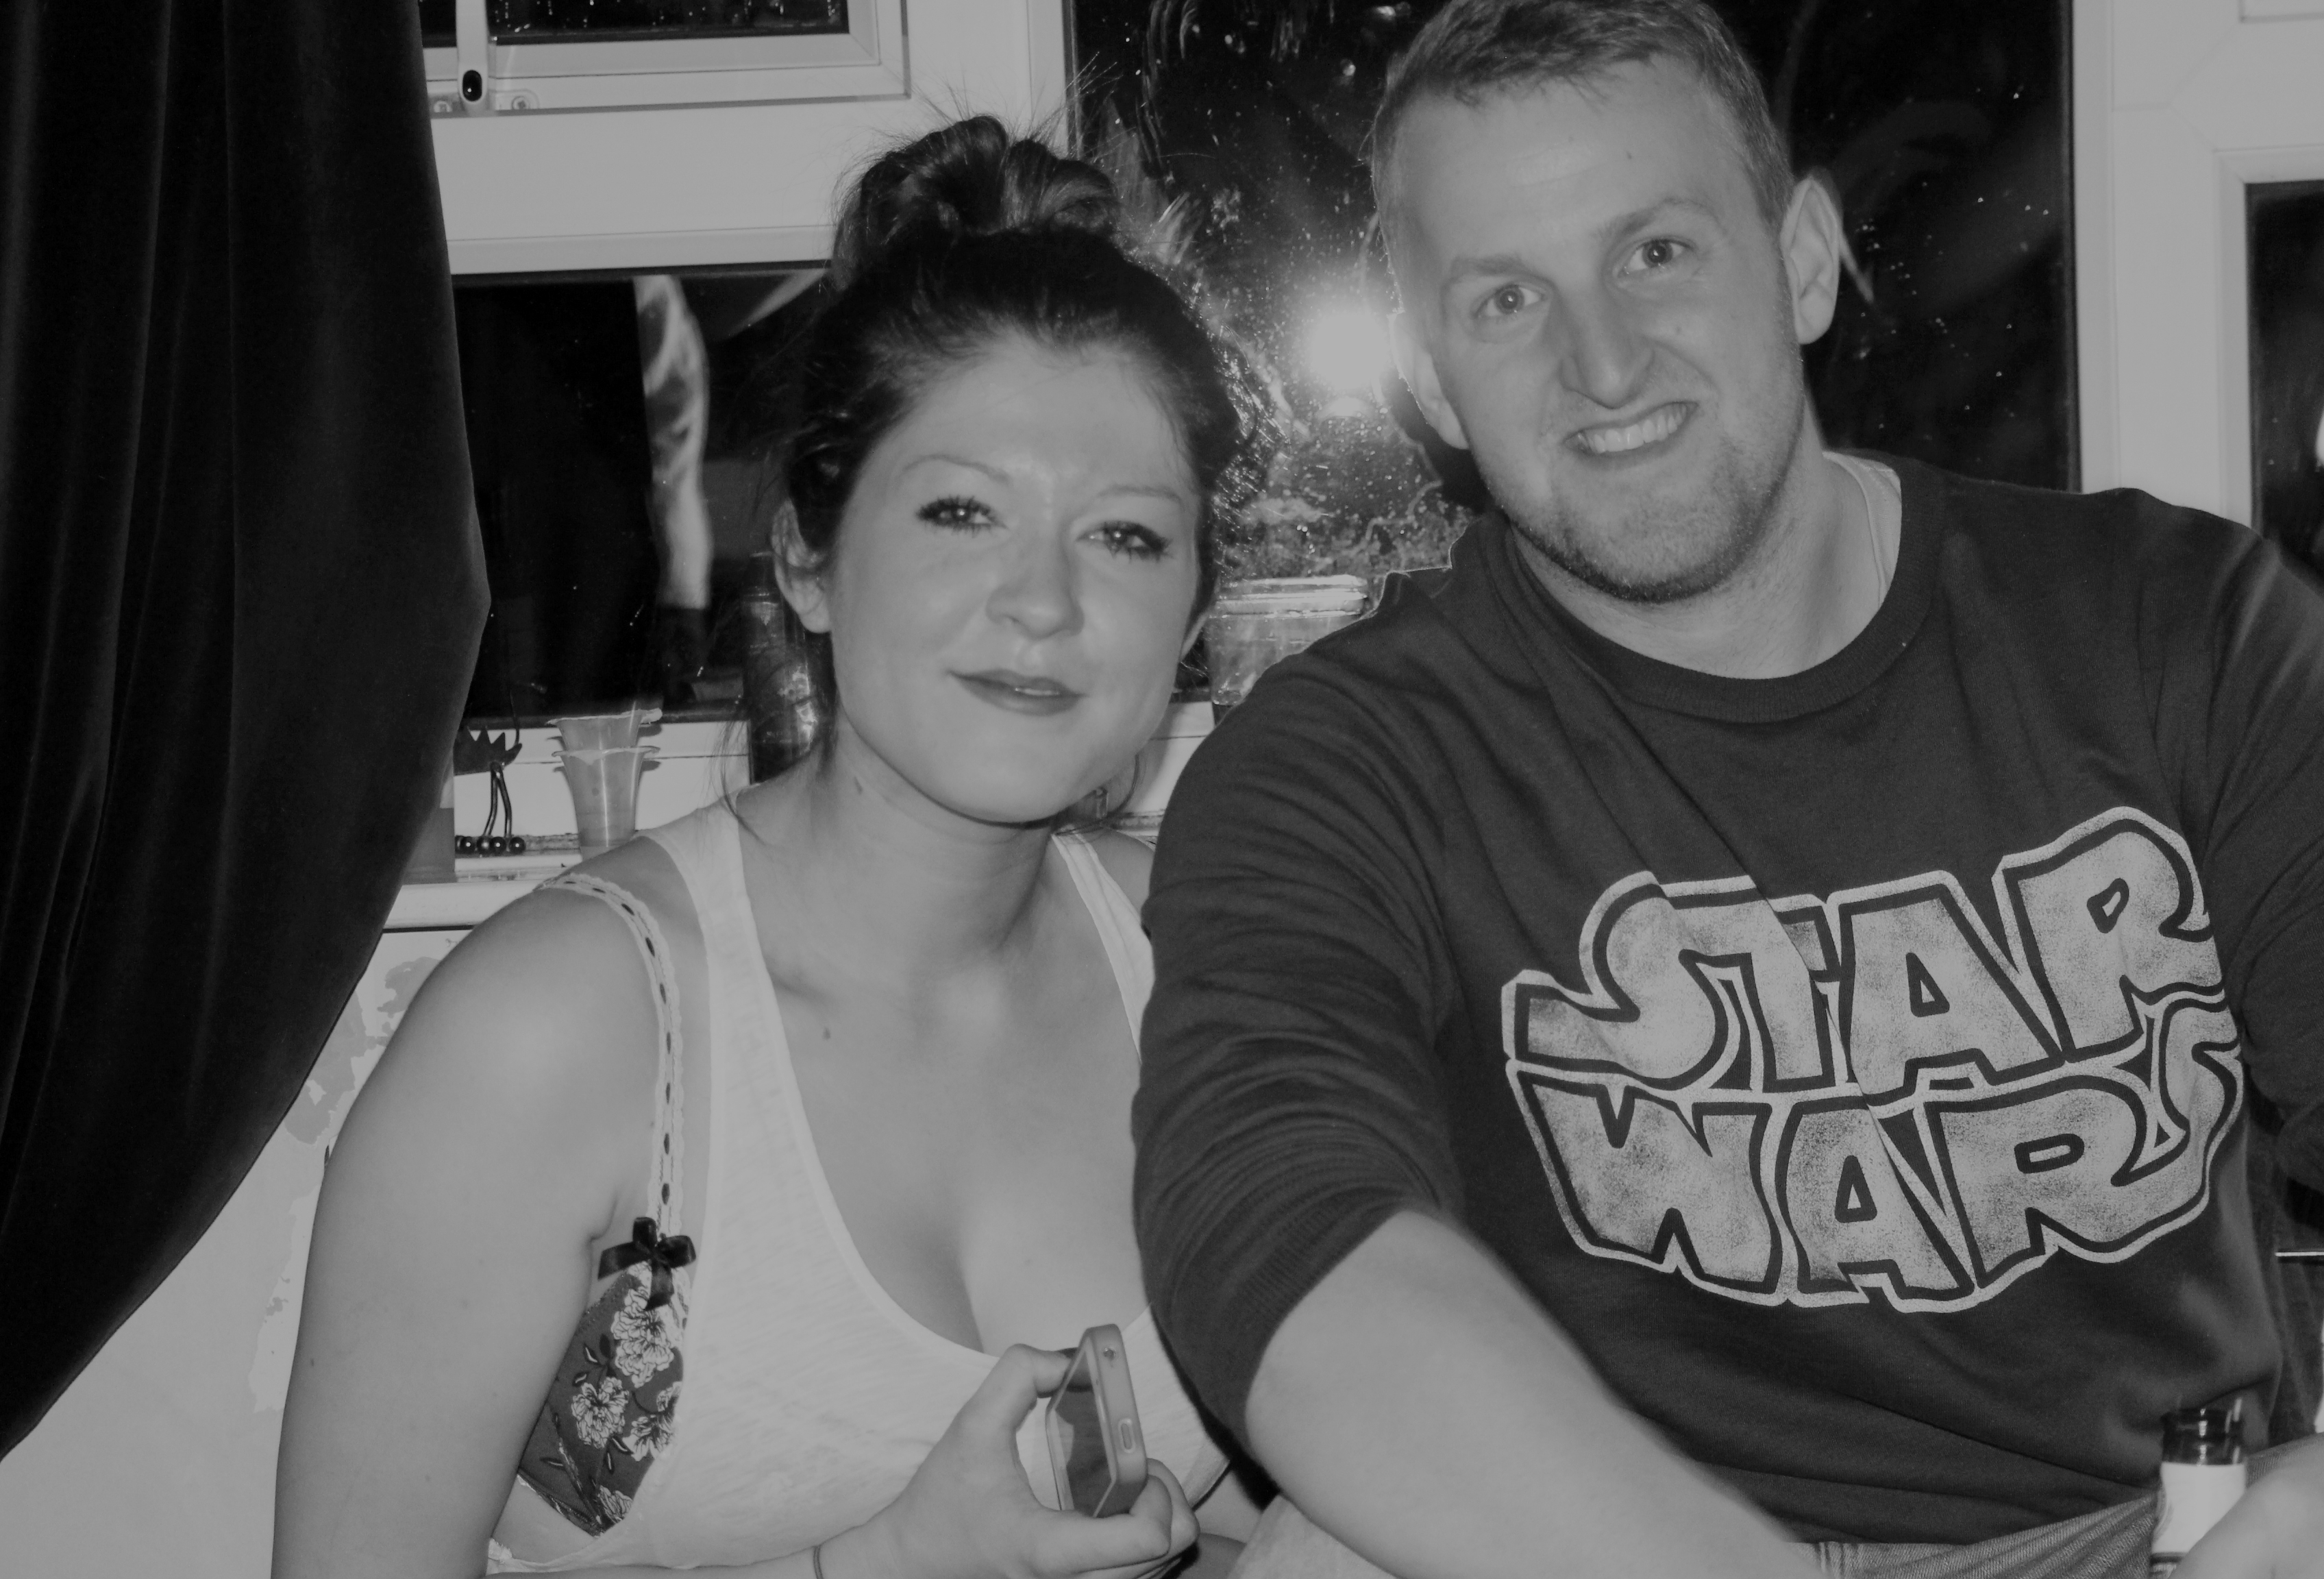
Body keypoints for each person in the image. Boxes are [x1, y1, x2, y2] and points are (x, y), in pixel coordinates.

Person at [1130, 3, 2324, 1578]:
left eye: (1657, 253)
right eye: (1507, 299)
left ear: (1804, 263)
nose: (1604, 362)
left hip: (2151, 1529)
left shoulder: (2173, 628)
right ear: (1430, 378)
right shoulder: (1345, 759)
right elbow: (1273, 1229)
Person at [276, 116, 1263, 1578]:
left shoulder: (1212, 971)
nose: (1044, 603)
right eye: (961, 512)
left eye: (1124, 536)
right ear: (806, 555)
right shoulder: (560, 1031)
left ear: (1194, 617)